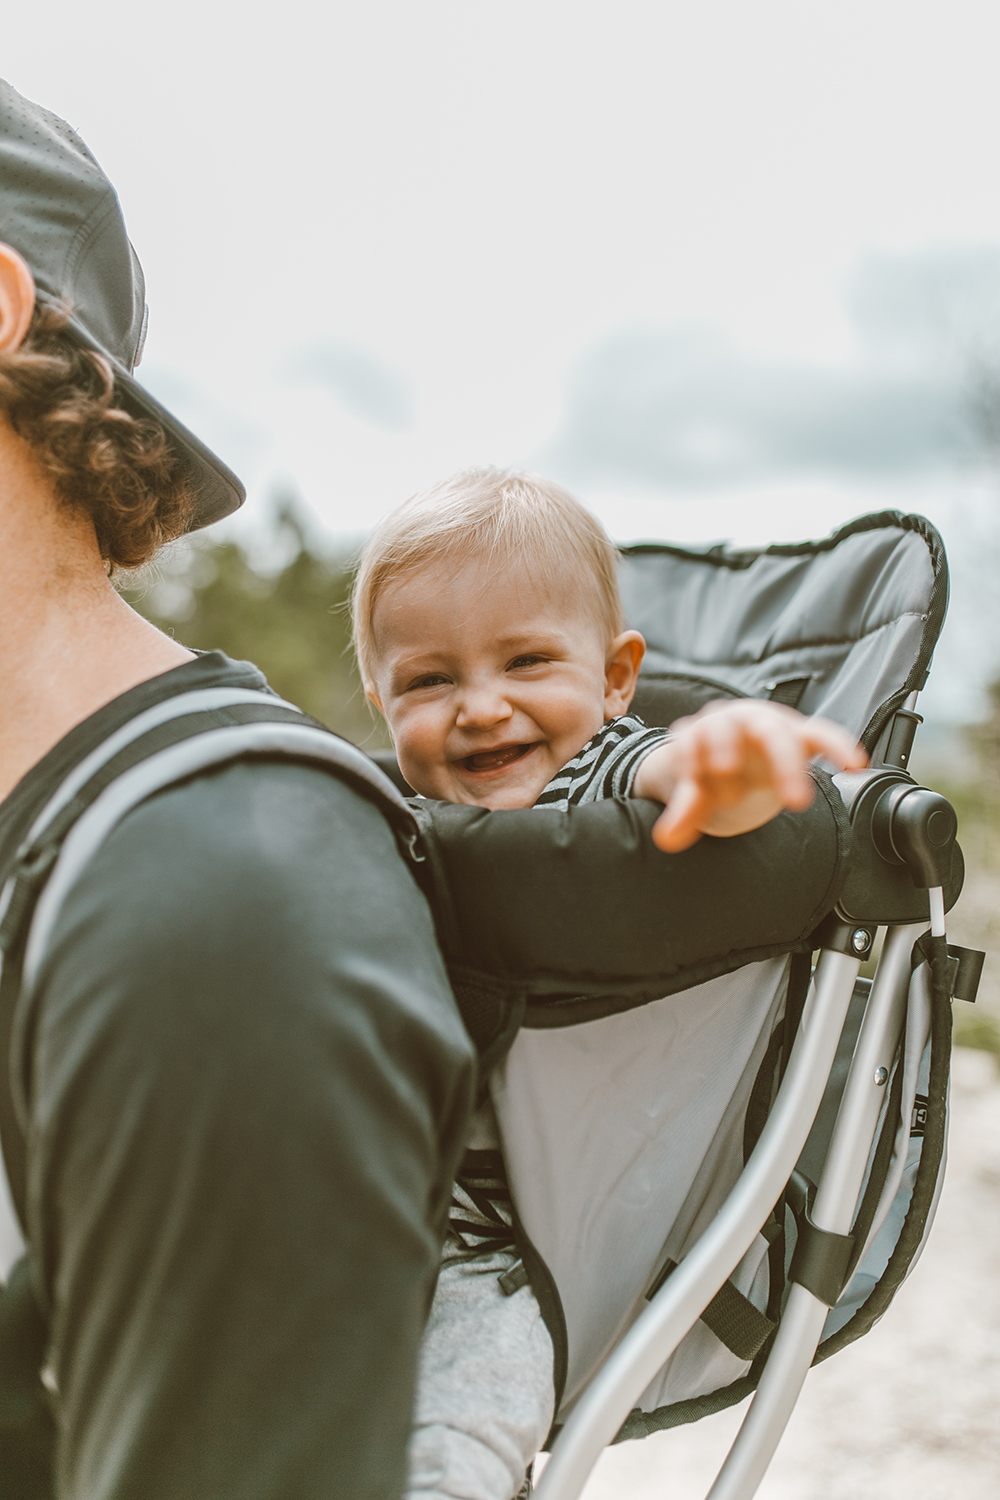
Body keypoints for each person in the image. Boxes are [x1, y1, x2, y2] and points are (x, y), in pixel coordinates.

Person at [351, 468, 866, 1500]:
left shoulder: (599, 773)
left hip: (512, 1258)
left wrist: (724, 767)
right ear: (379, 701)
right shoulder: (383, 806)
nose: (481, 706)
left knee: (447, 1442)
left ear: (616, 679)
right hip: (355, 1206)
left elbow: (672, 781)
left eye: (528, 661)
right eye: (428, 681)